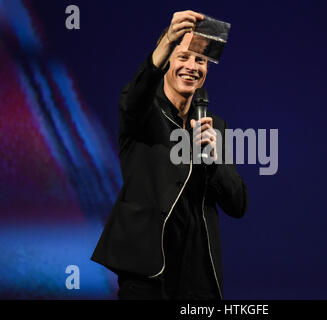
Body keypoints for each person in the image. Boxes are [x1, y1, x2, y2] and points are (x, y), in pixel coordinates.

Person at [91, 10, 248, 300]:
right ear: (167, 63)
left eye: (200, 60)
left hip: (198, 273)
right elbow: (133, 98)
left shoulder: (213, 126)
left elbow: (237, 203)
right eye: (183, 56)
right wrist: (166, 42)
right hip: (147, 270)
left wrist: (214, 161)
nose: (192, 66)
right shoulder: (144, 112)